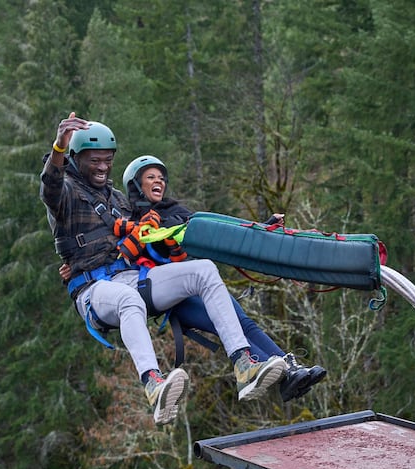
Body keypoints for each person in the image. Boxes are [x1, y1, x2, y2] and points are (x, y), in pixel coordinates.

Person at [40, 113, 287, 426]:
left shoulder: (118, 200)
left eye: (107, 160)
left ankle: (244, 364)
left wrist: (254, 231)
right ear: (76, 159)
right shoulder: (67, 195)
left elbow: (176, 226)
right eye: (94, 161)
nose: (102, 167)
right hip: (94, 290)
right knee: (128, 301)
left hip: (133, 276)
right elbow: (50, 186)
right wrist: (59, 147)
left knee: (203, 270)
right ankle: (155, 386)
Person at [119, 153, 327, 402]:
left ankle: (287, 370)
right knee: (231, 324)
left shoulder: (176, 212)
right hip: (172, 297)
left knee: (244, 322)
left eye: (162, 178)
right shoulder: (132, 223)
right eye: (151, 177)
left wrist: (263, 226)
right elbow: (117, 255)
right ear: (136, 185)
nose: (159, 182)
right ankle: (262, 369)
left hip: (199, 283)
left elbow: (218, 232)